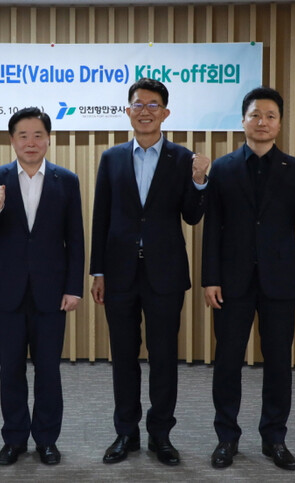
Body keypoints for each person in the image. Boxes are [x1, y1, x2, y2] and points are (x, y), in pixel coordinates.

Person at [201, 86, 295, 471]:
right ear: (243, 121)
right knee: (227, 361)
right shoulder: (223, 168)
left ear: (279, 124)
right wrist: (210, 278)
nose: (262, 122)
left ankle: (274, 438)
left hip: (279, 281)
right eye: (255, 115)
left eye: (270, 116)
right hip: (231, 281)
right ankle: (226, 437)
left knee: (278, 363)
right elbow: (212, 228)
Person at [90, 78, 210, 466]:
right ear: (128, 111)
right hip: (119, 273)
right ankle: (126, 432)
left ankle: (161, 434)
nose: (145, 111)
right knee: (123, 356)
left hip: (165, 274)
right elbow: (101, 217)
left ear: (165, 113)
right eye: (138, 104)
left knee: (163, 357)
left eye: (153, 105)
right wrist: (97, 272)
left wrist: (199, 181)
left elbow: (192, 216)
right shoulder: (111, 158)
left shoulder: (182, 158)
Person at [0, 107, 84, 466]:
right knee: (11, 370)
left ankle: (47, 440)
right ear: (12, 140)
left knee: (49, 370)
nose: (30, 142)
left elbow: (75, 239)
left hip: (52, 292)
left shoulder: (66, 180)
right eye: (23, 135)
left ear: (48, 139)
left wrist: (74, 288)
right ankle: (14, 439)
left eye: (38, 135)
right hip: (6, 291)